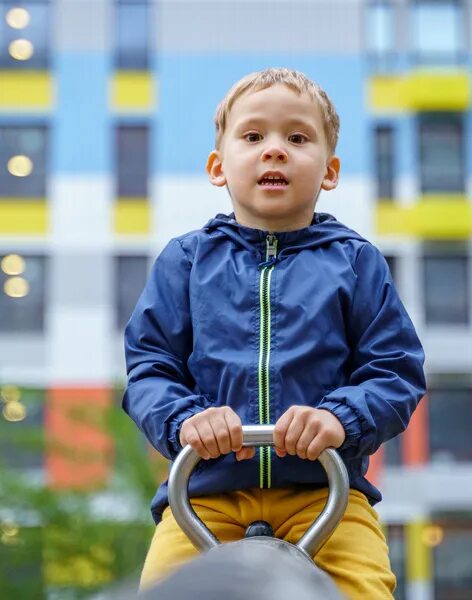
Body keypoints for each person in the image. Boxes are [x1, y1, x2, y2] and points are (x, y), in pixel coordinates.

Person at [122, 67, 426, 598]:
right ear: (219, 167)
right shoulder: (187, 262)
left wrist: (340, 417)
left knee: (364, 588)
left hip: (324, 492)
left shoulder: (356, 263)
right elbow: (150, 368)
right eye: (254, 136)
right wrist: (187, 420)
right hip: (205, 494)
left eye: (298, 138)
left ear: (329, 171)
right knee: (165, 589)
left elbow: (395, 371)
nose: (275, 150)